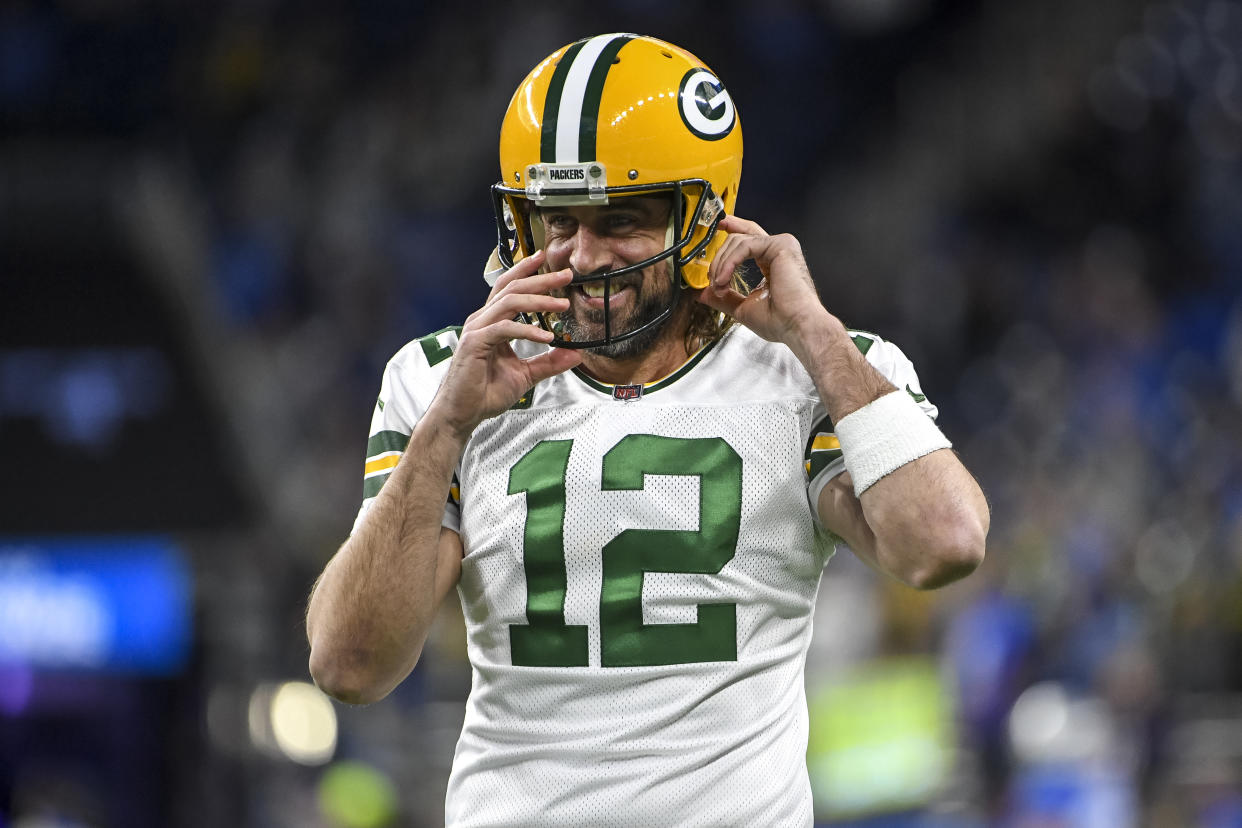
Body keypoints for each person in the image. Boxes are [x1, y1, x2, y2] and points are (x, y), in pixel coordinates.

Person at [306, 33, 989, 826]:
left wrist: (814, 331)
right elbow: (349, 665)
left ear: (702, 221)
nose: (585, 256)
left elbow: (944, 543)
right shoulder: (441, 381)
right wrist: (444, 430)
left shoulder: (813, 373)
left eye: (622, 220)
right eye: (558, 222)